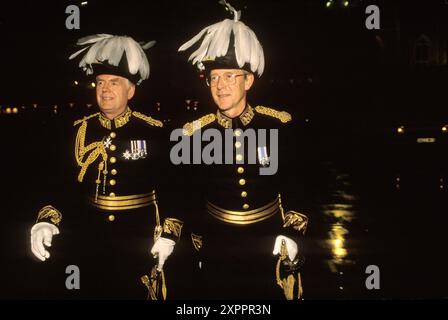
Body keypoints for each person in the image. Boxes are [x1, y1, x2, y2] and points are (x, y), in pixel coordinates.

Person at [154, 1, 310, 299]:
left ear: (248, 80)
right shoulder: (194, 133)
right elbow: (181, 190)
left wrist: (293, 231)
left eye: (229, 76)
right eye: (214, 77)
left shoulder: (278, 126)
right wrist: (170, 233)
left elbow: (300, 184)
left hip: (268, 243)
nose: (220, 85)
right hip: (216, 246)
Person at [29, 34, 183, 299]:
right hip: (90, 241)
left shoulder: (156, 131)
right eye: (100, 82)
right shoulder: (79, 130)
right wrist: (45, 221)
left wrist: (169, 234)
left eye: (114, 82)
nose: (105, 89)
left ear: (131, 90)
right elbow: (62, 184)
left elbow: (175, 188)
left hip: (140, 240)